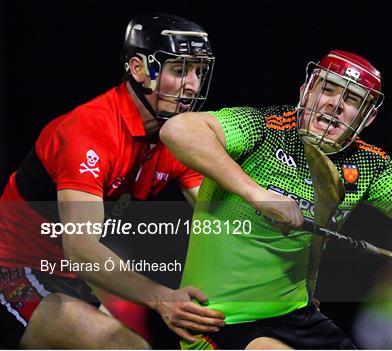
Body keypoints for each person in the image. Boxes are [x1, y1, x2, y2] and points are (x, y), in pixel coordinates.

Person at [160, 49, 392, 349]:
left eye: (350, 100)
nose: (334, 105)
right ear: (306, 91)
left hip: (296, 316)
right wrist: (256, 193)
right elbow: (178, 130)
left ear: (368, 116)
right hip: (222, 319)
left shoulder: (368, 165)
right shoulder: (263, 128)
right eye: (328, 90)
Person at [0, 13, 224, 348]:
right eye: (179, 70)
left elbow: (223, 221)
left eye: (198, 71)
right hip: (15, 270)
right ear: (137, 69)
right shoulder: (91, 130)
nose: (192, 84)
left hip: (71, 278)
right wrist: (163, 299)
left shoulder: (176, 137)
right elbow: (82, 248)